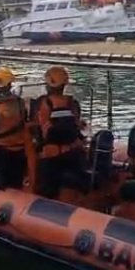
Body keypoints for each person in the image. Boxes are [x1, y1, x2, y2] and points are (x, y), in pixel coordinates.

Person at [31, 66, 89, 198]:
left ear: (48, 84)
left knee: (46, 190)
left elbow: (37, 128)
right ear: (64, 84)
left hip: (50, 155)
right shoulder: (72, 103)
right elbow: (77, 124)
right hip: (73, 153)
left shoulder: (42, 103)